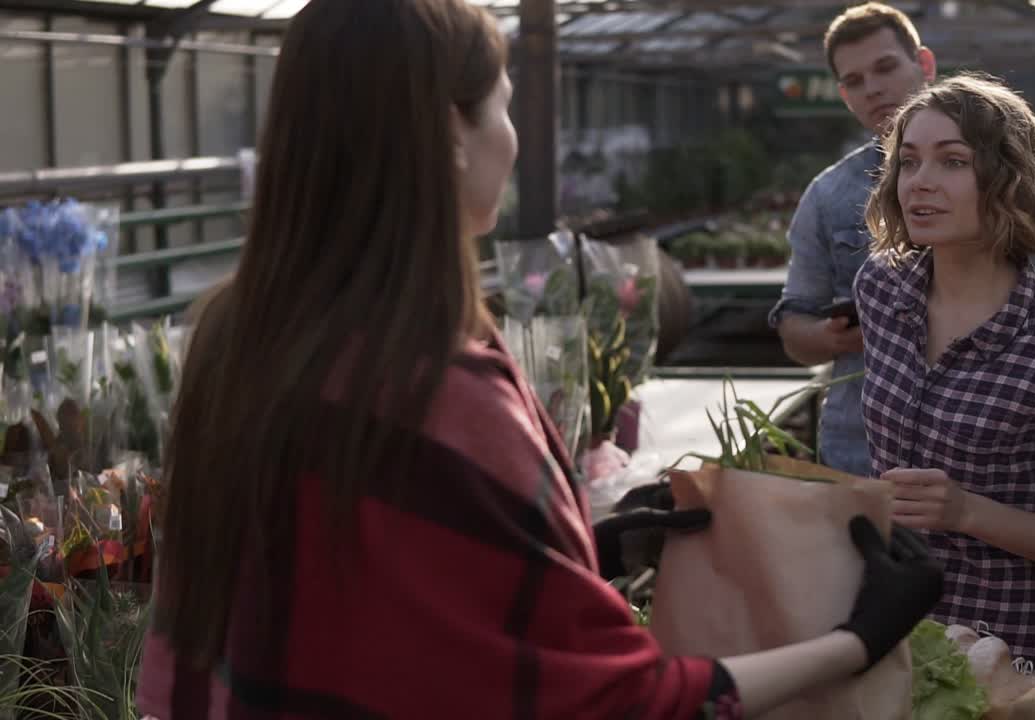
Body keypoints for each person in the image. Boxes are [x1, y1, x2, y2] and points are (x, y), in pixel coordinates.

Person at [136, 1, 943, 718]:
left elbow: (364, 593)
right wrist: (857, 639)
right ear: (450, 135)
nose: (514, 138)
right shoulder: (443, 390)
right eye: (504, 106)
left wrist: (592, 545)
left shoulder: (231, 339)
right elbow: (615, 700)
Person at [853, 73, 1035, 680]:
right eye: (909, 161)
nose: (921, 181)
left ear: (1008, 179)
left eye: (953, 161)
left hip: (1014, 653)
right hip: (890, 625)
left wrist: (965, 511)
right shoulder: (881, 289)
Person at [771, 2, 936, 477]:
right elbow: (794, 327)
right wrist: (833, 337)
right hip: (862, 453)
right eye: (855, 80)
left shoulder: (994, 171)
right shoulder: (828, 197)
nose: (873, 88)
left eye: (885, 67)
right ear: (844, 95)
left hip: (984, 449)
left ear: (924, 64)